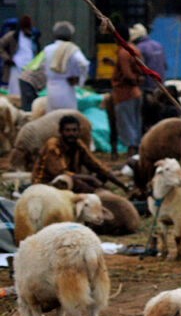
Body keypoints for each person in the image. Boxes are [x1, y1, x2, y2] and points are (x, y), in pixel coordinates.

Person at [31, 114, 127, 190]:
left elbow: (98, 166)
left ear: (78, 131)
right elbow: (61, 173)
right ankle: (98, 194)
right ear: (61, 132)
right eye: (67, 130)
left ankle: (98, 193)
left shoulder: (78, 144)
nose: (71, 133)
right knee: (76, 181)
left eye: (74, 130)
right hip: (46, 184)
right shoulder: (53, 145)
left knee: (102, 175)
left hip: (69, 181)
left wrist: (123, 186)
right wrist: (91, 179)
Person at [41, 21, 90, 112]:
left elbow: (43, 67)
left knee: (52, 119)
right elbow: (84, 64)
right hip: (66, 88)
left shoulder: (47, 49)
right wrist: (79, 79)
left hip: (50, 89)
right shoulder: (72, 49)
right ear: (70, 36)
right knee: (68, 117)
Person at [111, 23, 144, 151]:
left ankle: (132, 154)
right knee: (136, 125)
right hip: (135, 93)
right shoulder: (133, 49)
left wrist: (133, 79)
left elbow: (127, 74)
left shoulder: (123, 53)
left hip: (124, 94)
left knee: (127, 126)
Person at [1, 15, 40, 96]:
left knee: (28, 91)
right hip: (16, 67)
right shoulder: (13, 36)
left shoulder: (33, 36)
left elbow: (36, 50)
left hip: (30, 68)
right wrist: (7, 59)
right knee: (15, 91)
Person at [130, 23, 166, 94]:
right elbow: (164, 65)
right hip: (161, 84)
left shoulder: (138, 48)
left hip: (147, 87)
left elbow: (139, 69)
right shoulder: (158, 45)